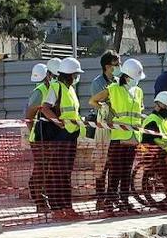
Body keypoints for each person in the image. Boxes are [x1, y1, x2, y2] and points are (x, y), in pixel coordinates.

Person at [90, 57, 145, 213]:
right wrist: (106, 109)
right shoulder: (113, 89)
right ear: (127, 76)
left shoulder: (138, 91)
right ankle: (110, 200)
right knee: (116, 170)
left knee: (126, 171)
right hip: (118, 136)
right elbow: (93, 101)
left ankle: (124, 200)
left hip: (134, 136)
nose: (137, 81)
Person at [39, 57, 85, 217]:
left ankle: (67, 206)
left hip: (71, 135)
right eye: (75, 74)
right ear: (69, 74)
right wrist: (59, 123)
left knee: (66, 172)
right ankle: (57, 208)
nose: (77, 77)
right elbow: (45, 109)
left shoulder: (70, 89)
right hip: (60, 135)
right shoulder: (56, 87)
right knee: (57, 172)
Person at [90, 50, 121, 209]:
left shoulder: (118, 81)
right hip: (103, 127)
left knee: (114, 163)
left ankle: (112, 196)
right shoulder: (98, 83)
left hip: (117, 127)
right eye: (117, 64)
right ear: (107, 66)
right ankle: (100, 197)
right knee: (101, 163)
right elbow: (99, 102)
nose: (119, 67)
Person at [24, 62, 53, 213]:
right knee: (42, 168)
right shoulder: (40, 91)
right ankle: (39, 200)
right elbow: (29, 115)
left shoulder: (50, 90)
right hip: (40, 137)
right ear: (47, 75)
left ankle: (40, 195)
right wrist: (34, 132)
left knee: (46, 168)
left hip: (48, 136)